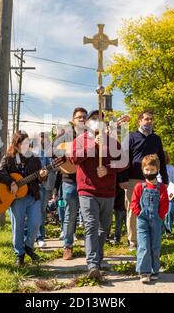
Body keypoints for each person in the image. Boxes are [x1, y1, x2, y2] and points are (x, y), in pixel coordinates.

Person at [71, 109, 126, 279]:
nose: (97, 122)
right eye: (93, 119)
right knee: (91, 226)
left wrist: (108, 169)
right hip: (87, 190)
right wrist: (93, 144)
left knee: (103, 229)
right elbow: (74, 159)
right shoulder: (80, 140)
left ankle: (99, 257)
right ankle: (92, 264)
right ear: (87, 123)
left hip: (108, 191)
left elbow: (123, 163)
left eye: (100, 119)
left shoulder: (112, 142)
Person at [0, 130, 48, 266]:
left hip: (33, 195)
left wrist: (43, 175)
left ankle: (28, 246)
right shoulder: (9, 158)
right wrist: (11, 182)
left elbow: (42, 178)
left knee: (36, 223)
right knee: (17, 227)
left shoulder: (35, 158)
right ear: (16, 144)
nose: (25, 145)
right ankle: (19, 254)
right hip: (16, 198)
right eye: (22, 143)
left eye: (27, 142)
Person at [118, 110, 168, 250]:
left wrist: (164, 178)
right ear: (140, 121)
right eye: (146, 119)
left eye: (151, 119)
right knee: (134, 210)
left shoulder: (156, 139)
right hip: (133, 179)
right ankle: (133, 241)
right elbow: (123, 158)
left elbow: (162, 161)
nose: (149, 122)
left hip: (152, 180)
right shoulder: (131, 137)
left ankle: (148, 238)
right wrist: (123, 179)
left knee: (152, 209)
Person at [53, 107, 87, 260]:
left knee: (89, 216)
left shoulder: (91, 136)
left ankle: (91, 248)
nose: (81, 119)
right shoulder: (66, 136)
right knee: (70, 214)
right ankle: (67, 246)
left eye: (84, 117)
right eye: (78, 117)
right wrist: (71, 151)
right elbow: (54, 149)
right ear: (73, 120)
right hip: (69, 180)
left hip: (88, 181)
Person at [130, 154, 169, 282]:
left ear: (157, 170)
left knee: (155, 245)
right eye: (147, 170)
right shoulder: (139, 187)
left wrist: (160, 215)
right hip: (142, 220)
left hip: (156, 220)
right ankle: (144, 271)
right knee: (144, 245)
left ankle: (154, 269)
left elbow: (164, 203)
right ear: (143, 170)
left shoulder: (161, 187)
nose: (149, 172)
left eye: (152, 170)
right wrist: (138, 213)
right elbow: (134, 203)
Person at [35, 132, 57, 247]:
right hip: (34, 187)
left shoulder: (50, 153)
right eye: (41, 140)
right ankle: (38, 236)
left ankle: (40, 236)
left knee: (42, 211)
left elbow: (55, 167)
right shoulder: (33, 153)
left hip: (46, 186)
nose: (43, 142)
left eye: (45, 140)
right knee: (36, 211)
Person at [163, 151, 174, 234]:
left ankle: (168, 230)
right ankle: (161, 229)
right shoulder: (155, 168)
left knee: (170, 211)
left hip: (170, 191)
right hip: (159, 193)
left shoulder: (170, 168)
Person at [110, 174, 126, 244]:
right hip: (119, 206)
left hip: (125, 206)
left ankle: (129, 240)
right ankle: (117, 238)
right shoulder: (117, 181)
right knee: (118, 224)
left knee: (127, 224)